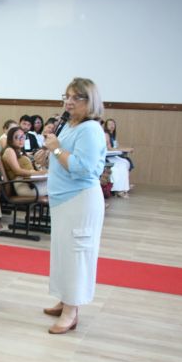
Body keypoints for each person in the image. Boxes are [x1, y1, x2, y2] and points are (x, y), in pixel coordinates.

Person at [43, 78, 107, 334]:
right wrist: (50, 151)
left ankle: (72, 310)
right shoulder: (70, 125)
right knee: (63, 254)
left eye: (75, 98)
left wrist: (57, 150)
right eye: (66, 96)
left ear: (89, 101)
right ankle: (65, 298)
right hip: (63, 200)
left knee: (76, 255)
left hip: (79, 200)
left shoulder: (90, 129)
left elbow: (83, 169)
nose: (68, 102)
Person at [0, 127, 48, 197]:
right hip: (23, 186)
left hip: (30, 183)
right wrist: (38, 173)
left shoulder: (19, 151)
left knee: (57, 182)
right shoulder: (9, 150)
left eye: (22, 137)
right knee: (58, 186)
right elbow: (17, 171)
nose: (21, 140)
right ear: (10, 139)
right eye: (17, 137)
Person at [103, 118, 133, 198]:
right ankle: (119, 190)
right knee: (121, 166)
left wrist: (125, 149)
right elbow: (109, 148)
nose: (112, 126)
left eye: (113, 124)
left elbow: (116, 147)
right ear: (106, 126)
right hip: (107, 157)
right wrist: (125, 149)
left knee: (126, 162)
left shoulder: (113, 135)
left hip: (113, 156)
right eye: (110, 124)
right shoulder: (106, 134)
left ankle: (124, 187)